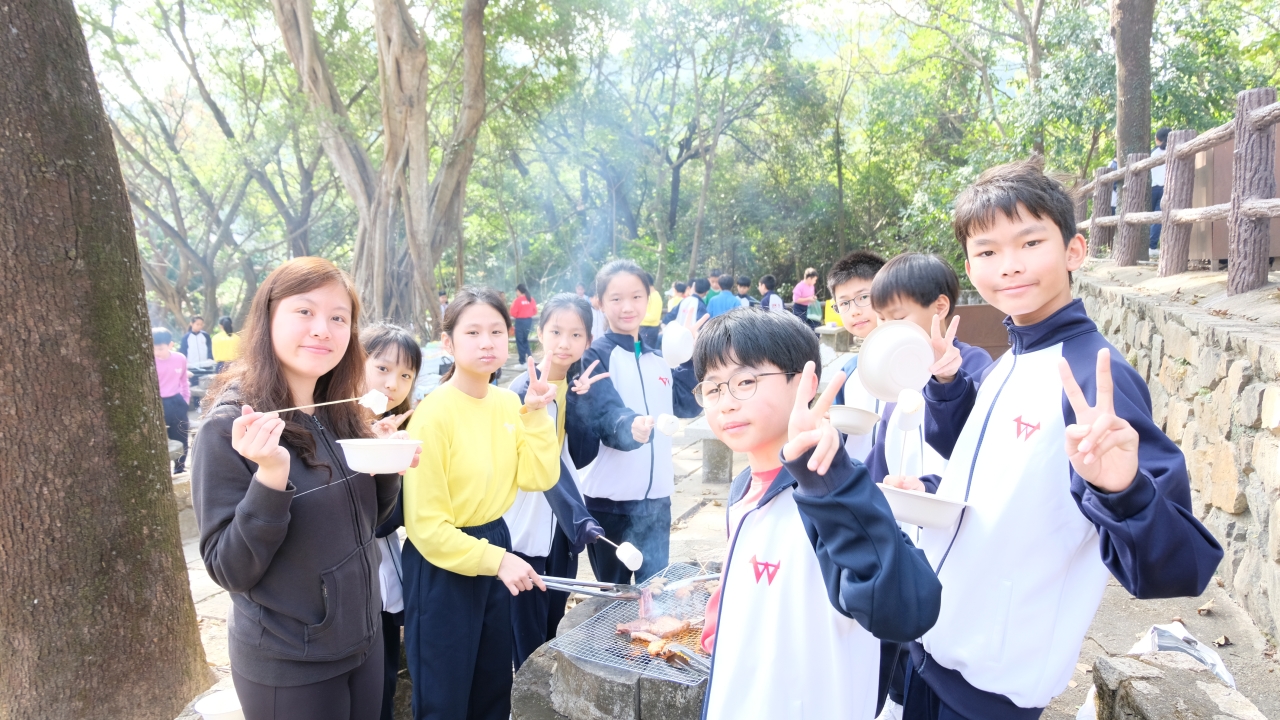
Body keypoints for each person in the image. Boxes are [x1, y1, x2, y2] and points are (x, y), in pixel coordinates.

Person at [889, 159, 1223, 720]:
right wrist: (930, 473)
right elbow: (999, 473)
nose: (1010, 265)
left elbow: (1180, 569)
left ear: (1074, 250)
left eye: (1030, 242)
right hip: (931, 649)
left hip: (991, 687)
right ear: (969, 266)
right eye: (987, 251)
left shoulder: (1092, 376)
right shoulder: (1012, 356)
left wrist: (1124, 491)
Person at [693, 309, 941, 719]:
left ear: (805, 383)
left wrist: (830, 480)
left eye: (745, 382)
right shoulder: (743, 488)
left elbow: (906, 610)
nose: (726, 403)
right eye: (713, 388)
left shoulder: (831, 495)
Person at [191, 257, 408, 720]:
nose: (322, 329)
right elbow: (229, 568)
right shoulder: (232, 428)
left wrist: (387, 466)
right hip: (290, 662)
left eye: (338, 318)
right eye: (305, 311)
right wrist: (270, 477)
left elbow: (371, 524)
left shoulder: (341, 413)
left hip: (363, 641)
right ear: (268, 317)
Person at [401, 287, 561, 720]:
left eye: (496, 331)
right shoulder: (433, 414)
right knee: (444, 699)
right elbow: (426, 527)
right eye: (472, 332)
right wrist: (498, 560)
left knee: (492, 689)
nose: (486, 342)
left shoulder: (508, 402)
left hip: (494, 543)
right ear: (448, 343)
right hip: (441, 563)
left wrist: (537, 414)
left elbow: (538, 477)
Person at [575, 260, 703, 583]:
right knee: (614, 597)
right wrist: (628, 426)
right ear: (600, 302)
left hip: (657, 502)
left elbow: (687, 404)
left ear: (648, 298)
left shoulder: (657, 359)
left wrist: (688, 356)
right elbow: (603, 412)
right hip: (609, 505)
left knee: (656, 591)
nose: (627, 307)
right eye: (616, 298)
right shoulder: (594, 356)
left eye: (636, 297)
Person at [506, 294, 609, 669]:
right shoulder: (520, 390)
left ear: (588, 340)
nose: (564, 343)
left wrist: (584, 404)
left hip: (561, 531)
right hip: (525, 529)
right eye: (556, 332)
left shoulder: (579, 388)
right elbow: (531, 465)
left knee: (552, 623)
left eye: (576, 334)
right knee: (526, 637)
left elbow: (580, 456)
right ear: (539, 332)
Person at [360, 323, 423, 720]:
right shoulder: (330, 426)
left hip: (383, 583)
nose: (392, 384)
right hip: (343, 589)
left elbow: (391, 519)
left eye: (405, 375)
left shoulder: (402, 432)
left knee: (382, 683)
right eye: (382, 368)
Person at [827, 250, 887, 463]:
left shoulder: (916, 361)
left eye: (863, 297)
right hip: (857, 479)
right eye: (844, 303)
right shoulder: (848, 372)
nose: (854, 311)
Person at [153, 327, 191, 474]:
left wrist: (185, 400)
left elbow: (184, 381)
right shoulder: (150, 360)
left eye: (160, 348)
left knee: (181, 435)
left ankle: (179, 468)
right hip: (157, 402)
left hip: (176, 401)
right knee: (159, 438)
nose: (157, 352)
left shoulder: (180, 358)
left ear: (170, 345)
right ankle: (161, 470)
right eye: (154, 348)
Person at [1150, 127, 1170, 251]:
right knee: (1158, 218)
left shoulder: (1153, 152)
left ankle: (1150, 245)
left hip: (1153, 188)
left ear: (1157, 139)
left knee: (1151, 217)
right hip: (1165, 188)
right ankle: (1152, 245)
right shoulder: (1172, 150)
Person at [510, 284, 538, 365]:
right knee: (525, 340)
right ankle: (530, 359)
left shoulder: (517, 300)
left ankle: (522, 362)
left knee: (520, 341)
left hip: (520, 321)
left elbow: (513, 313)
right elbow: (535, 311)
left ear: (518, 291)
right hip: (529, 321)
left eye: (516, 291)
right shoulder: (531, 299)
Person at [640, 272, 664, 349]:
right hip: (644, 328)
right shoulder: (649, 296)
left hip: (649, 329)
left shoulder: (655, 297)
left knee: (646, 351)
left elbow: (653, 316)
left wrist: (638, 315)